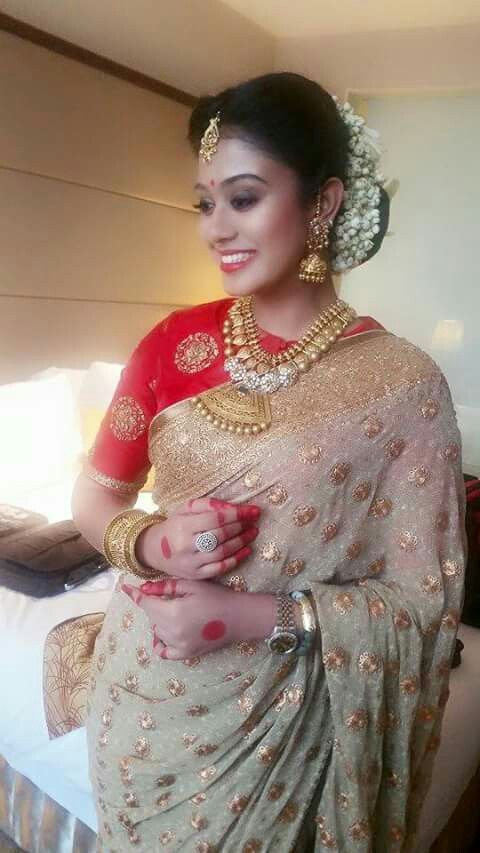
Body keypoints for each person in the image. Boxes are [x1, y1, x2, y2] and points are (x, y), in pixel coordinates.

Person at [72, 72, 466, 852]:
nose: (215, 227)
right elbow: (94, 494)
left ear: (323, 203)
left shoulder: (403, 384)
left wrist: (253, 616)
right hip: (139, 712)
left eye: (243, 197)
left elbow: (423, 607)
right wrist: (149, 543)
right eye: (203, 202)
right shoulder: (169, 346)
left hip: (279, 733)